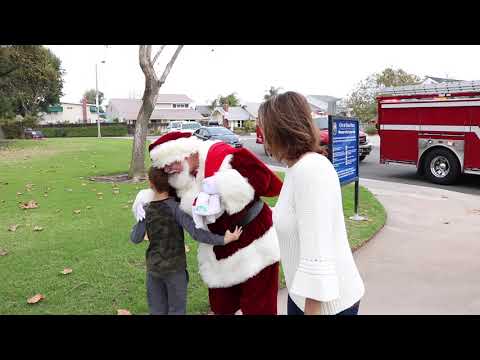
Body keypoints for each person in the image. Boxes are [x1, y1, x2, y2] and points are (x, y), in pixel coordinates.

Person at [133, 130, 283, 315]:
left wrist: (222, 185)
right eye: (165, 167)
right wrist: (143, 200)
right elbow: (161, 195)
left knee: (259, 307)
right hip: (218, 253)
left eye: (172, 163)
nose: (169, 170)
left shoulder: (223, 155)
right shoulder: (176, 179)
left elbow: (267, 182)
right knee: (221, 307)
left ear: (187, 153)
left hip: (255, 246)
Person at [258, 91, 365, 315]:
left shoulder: (310, 170)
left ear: (280, 131)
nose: (263, 137)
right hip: (301, 295)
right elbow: (297, 217)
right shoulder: (297, 168)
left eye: (265, 129)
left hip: (326, 305)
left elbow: (318, 257)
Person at [130, 166, 243, 315]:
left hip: (154, 270)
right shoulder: (177, 208)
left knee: (156, 311)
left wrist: (140, 219)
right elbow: (197, 233)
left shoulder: (146, 209)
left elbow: (136, 238)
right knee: (177, 311)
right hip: (175, 271)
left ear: (151, 184)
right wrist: (224, 239)